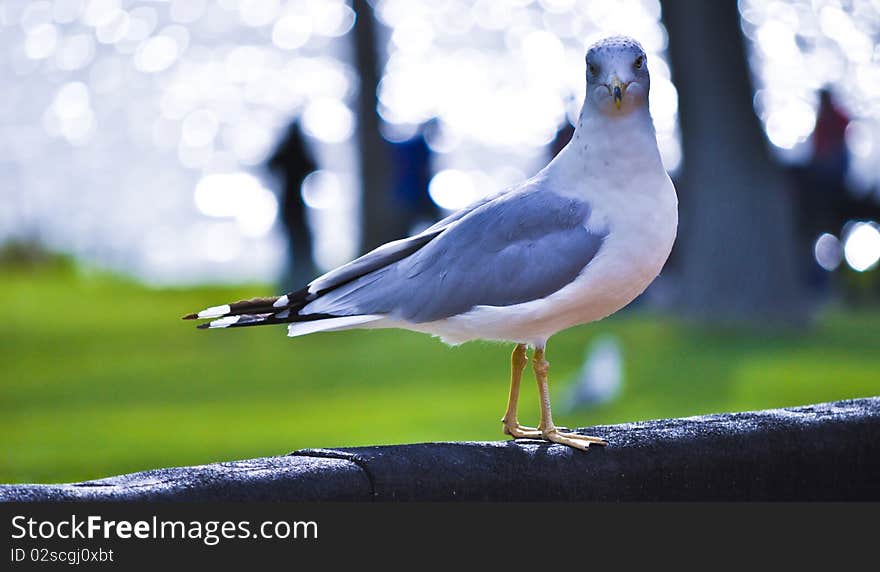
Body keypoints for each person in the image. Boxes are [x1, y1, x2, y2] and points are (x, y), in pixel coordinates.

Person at [267, 121, 318, 290]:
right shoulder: (300, 153)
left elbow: (270, 165)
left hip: (288, 206)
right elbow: (313, 165)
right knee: (300, 246)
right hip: (297, 206)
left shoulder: (285, 153)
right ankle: (299, 282)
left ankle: (295, 282)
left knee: (294, 246)